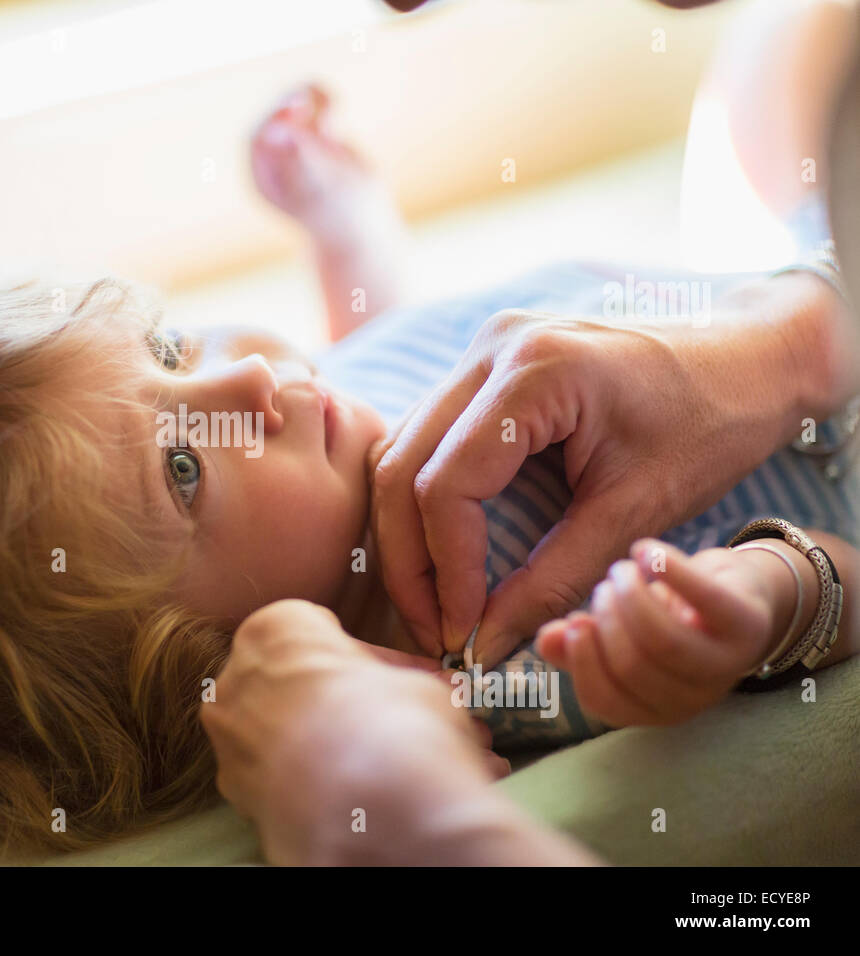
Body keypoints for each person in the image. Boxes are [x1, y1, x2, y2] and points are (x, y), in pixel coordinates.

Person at [202, 0, 860, 865]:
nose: (239, 376)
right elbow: (839, 584)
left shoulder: (333, 410)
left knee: (770, 56)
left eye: (164, 346)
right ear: (188, 652)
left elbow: (387, 337)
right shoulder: (481, 663)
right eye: (180, 467)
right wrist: (769, 589)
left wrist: (345, 224)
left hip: (767, 276)